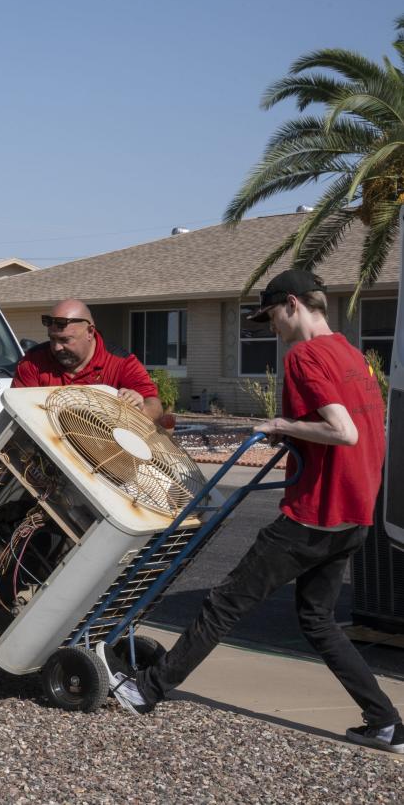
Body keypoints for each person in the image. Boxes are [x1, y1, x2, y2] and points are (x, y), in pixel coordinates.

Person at [102, 269, 402, 755]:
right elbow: (358, 431)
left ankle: (145, 690)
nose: (272, 331)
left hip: (313, 516)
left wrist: (281, 423)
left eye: (271, 319)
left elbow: (343, 431)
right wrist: (294, 431)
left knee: (225, 603)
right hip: (354, 515)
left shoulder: (306, 356)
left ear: (291, 305)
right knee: (318, 620)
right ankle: (385, 722)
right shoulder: (350, 355)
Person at [12, 298, 165, 424]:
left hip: (107, 452)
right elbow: (17, 413)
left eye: (65, 340)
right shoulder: (33, 362)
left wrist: (140, 406)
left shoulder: (121, 363)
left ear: (90, 332)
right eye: (52, 339)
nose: (57, 347)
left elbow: (155, 407)